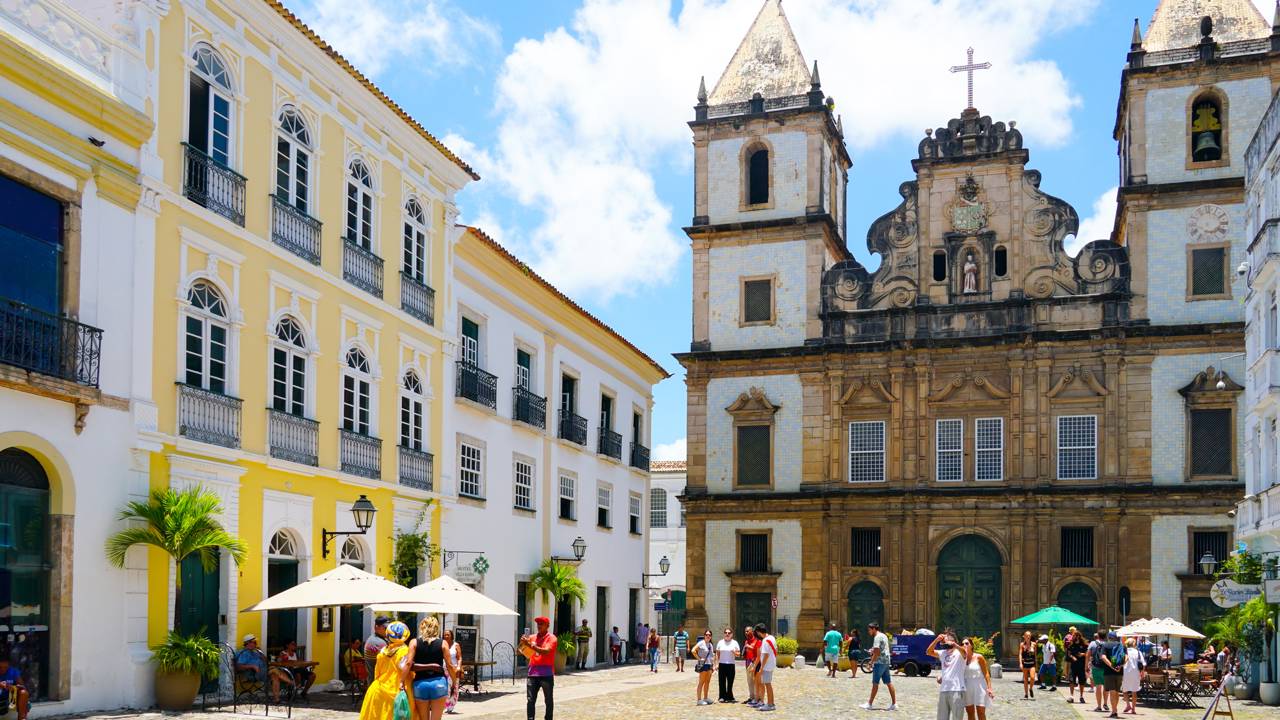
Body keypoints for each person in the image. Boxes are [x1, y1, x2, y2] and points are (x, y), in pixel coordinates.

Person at [359, 621, 411, 720]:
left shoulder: (383, 652)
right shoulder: (405, 651)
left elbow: (377, 673)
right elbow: (407, 669)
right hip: (398, 689)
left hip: (378, 689)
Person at [407, 617, 450, 720]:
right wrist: (453, 684)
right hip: (439, 682)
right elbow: (450, 665)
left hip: (420, 684)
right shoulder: (443, 643)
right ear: (436, 628)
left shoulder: (414, 642)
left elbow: (409, 664)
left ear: (422, 627)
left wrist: (401, 681)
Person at [235, 634, 294, 703]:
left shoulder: (255, 651)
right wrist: (252, 666)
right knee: (274, 670)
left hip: (264, 671)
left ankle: (277, 700)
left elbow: (266, 661)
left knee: (275, 676)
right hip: (254, 673)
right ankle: (292, 683)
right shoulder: (243, 653)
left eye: (255, 642)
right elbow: (239, 666)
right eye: (254, 642)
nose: (256, 644)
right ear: (248, 643)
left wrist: (261, 654)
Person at [523, 616, 557, 720]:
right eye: (538, 624)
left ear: (547, 626)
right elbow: (522, 652)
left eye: (541, 624)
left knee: (548, 700)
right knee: (530, 700)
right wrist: (522, 644)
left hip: (546, 673)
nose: (539, 626)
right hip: (532, 673)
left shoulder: (552, 638)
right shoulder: (532, 637)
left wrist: (531, 646)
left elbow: (546, 651)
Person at [928, 630, 967, 720]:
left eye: (948, 640)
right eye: (945, 640)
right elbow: (929, 652)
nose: (945, 642)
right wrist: (936, 640)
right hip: (944, 689)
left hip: (957, 689)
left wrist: (955, 645)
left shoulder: (959, 652)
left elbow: (965, 654)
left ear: (954, 641)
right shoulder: (943, 653)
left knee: (957, 717)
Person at [860, 621, 897, 711]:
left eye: (869, 630)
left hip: (879, 662)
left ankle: (869, 704)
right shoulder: (883, 635)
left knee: (875, 683)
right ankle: (894, 704)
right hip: (886, 661)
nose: (869, 632)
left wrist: (871, 662)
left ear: (873, 629)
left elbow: (877, 652)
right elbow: (881, 648)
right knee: (888, 682)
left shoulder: (876, 637)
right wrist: (873, 650)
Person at [961, 637, 994, 720]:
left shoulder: (979, 657)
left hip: (980, 686)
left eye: (967, 643)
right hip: (967, 686)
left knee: (981, 712)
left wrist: (989, 688)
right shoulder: (961, 659)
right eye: (963, 644)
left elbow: (986, 673)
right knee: (970, 712)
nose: (964, 645)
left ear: (971, 645)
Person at [751, 623, 778, 712]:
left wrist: (761, 668)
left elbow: (766, 655)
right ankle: (771, 703)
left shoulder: (766, 640)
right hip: (771, 664)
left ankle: (770, 704)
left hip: (767, 666)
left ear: (758, 632)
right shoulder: (772, 638)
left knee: (768, 684)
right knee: (768, 684)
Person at [1099, 631, 1125, 719]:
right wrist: (1120, 666)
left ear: (1109, 637)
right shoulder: (1122, 645)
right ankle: (1115, 709)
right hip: (1120, 672)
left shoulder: (1105, 645)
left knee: (1112, 692)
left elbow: (1103, 657)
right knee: (1117, 692)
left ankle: (1114, 711)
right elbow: (1126, 658)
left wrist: (1111, 666)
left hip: (1109, 672)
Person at [715, 627, 740, 702]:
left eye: (729, 633)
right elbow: (717, 654)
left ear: (732, 634)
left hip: (731, 664)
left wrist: (734, 652)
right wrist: (716, 664)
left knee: (730, 681)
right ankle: (722, 696)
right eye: (726, 633)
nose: (727, 634)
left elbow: (738, 654)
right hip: (722, 664)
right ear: (724, 634)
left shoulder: (735, 643)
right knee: (721, 681)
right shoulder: (720, 642)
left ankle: (729, 696)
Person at [1121, 637, 1145, 715]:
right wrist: (1142, 673)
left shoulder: (1124, 651)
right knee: (1134, 691)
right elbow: (1143, 664)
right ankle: (1133, 709)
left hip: (1125, 673)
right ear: (1134, 644)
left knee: (1125, 690)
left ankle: (1128, 705)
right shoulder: (1138, 652)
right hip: (1136, 673)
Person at [1065, 627, 1088, 704]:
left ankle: (1081, 696)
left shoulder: (1084, 645)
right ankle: (1071, 696)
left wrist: (1083, 654)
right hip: (1073, 665)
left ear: (1079, 636)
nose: (1076, 637)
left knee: (1082, 682)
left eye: (1077, 635)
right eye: (1075, 635)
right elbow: (1068, 654)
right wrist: (1072, 657)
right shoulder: (1071, 645)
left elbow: (1088, 654)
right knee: (1072, 681)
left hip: (1081, 665)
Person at [1089, 630, 1109, 713]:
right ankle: (1105, 703)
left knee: (1098, 687)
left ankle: (1099, 706)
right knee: (1106, 687)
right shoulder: (1108, 644)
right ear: (1105, 636)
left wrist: (1086, 665)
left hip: (1096, 667)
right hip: (1106, 668)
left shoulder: (1092, 644)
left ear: (1098, 636)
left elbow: (1088, 654)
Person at [442, 629, 461, 715]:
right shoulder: (442, 645)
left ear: (451, 636)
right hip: (444, 669)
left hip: (454, 669)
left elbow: (459, 657)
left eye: (448, 635)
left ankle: (451, 706)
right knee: (445, 688)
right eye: (445, 635)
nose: (446, 636)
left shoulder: (456, 645)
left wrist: (459, 667)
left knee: (454, 687)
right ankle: (446, 705)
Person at [693, 630, 715, 705]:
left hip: (709, 665)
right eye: (706, 634)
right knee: (701, 682)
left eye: (709, 635)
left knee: (707, 682)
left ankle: (706, 697)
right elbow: (693, 650)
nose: (708, 636)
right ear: (704, 635)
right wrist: (699, 658)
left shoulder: (710, 645)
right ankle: (699, 699)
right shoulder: (701, 643)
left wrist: (713, 665)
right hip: (703, 665)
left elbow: (712, 656)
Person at [743, 625, 760, 706]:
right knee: (749, 681)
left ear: (752, 632)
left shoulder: (756, 641)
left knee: (755, 681)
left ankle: (758, 697)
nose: (746, 633)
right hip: (747, 662)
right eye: (745, 631)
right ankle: (751, 697)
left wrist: (749, 647)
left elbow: (757, 653)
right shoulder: (746, 641)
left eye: (748, 631)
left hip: (754, 663)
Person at [1019, 631, 1037, 699]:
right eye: (1026, 635)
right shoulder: (1022, 644)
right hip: (1025, 663)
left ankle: (1031, 688)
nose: (1028, 637)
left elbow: (1035, 655)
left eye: (1029, 635)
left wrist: (1036, 664)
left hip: (1032, 663)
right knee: (1025, 679)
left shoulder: (1034, 644)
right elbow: (1020, 654)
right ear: (1024, 636)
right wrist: (1020, 663)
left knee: (1032, 678)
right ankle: (1026, 694)